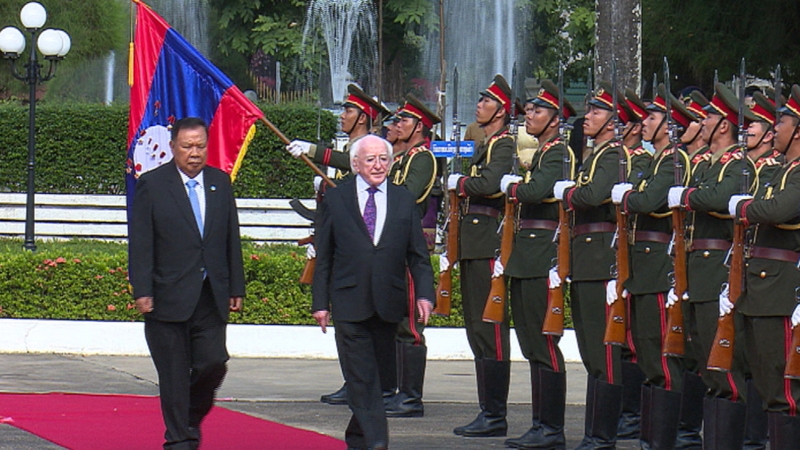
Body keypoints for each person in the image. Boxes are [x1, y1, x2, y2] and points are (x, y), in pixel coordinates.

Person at [312, 134, 435, 450]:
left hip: (387, 302)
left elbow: (417, 255)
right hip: (348, 301)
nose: (378, 165)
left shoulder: (403, 199)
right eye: (370, 159)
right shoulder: (336, 199)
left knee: (377, 381)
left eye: (384, 159)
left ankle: (357, 438)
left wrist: (424, 294)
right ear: (355, 164)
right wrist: (320, 303)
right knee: (361, 377)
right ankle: (378, 441)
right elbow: (324, 256)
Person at [129, 117, 245, 450]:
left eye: (200, 146)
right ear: (172, 148)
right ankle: (179, 438)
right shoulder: (153, 184)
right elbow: (142, 241)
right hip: (167, 294)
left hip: (210, 294)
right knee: (174, 375)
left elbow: (230, 238)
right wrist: (142, 289)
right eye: (187, 146)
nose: (194, 153)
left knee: (213, 363)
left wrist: (236, 286)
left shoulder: (219, 182)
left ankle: (190, 417)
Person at [287, 84, 391, 406]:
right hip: (339, 234)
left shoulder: (367, 148)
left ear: (363, 117)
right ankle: (352, 379)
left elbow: (353, 164)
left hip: (361, 244)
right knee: (345, 316)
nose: (343, 116)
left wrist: (314, 152)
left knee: (359, 318)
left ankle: (365, 382)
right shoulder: (349, 146)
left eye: (348, 111)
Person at [667, 83, 756, 449]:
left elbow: (721, 199)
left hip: (718, 268)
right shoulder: (710, 163)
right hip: (697, 269)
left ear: (723, 125)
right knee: (705, 363)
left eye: (707, 117)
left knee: (725, 368)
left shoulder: (738, 163)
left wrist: (686, 196)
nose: (700, 122)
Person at [612, 84, 694, 449]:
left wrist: (628, 196)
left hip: (660, 267)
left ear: (671, 124)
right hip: (642, 268)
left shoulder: (674, 161)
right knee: (645, 355)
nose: (643, 122)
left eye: (652, 117)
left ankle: (664, 438)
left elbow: (648, 200)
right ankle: (650, 435)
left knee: (662, 358)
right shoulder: (654, 161)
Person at [499, 80, 575, 449]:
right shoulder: (542, 152)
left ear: (556, 119)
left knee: (544, 344)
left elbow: (535, 192)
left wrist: (513, 186)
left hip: (542, 253)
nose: (529, 115)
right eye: (529, 110)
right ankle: (539, 423)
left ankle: (551, 429)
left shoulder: (559, 153)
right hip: (525, 254)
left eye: (538, 111)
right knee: (531, 344)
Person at [555, 81, 627, 449]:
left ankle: (603, 436)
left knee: (604, 354)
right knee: (590, 352)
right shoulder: (593, 155)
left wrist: (567, 193)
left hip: (600, 261)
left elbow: (593, 195)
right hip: (585, 260)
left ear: (614, 121)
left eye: (597, 112)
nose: (588, 117)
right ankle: (593, 433)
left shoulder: (613, 155)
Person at [730, 84, 800, 449]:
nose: (775, 129)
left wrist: (742, 208)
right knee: (766, 384)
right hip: (760, 290)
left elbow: (776, 210)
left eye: (783, 122)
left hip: (782, 290)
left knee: (785, 391)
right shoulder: (781, 171)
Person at [445, 74, 515, 438]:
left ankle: (495, 414)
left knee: (490, 330)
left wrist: (461, 184)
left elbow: (488, 185)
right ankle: (487, 410)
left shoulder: (503, 145)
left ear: (501, 111)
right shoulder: (484, 145)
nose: (479, 106)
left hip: (489, 243)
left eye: (486, 101)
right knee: (476, 329)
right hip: (473, 243)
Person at [383, 94, 440, 418]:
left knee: (411, 325)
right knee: (396, 322)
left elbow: (407, 195)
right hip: (394, 244)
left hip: (409, 245)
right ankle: (399, 391)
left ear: (420, 126)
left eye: (404, 121)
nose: (397, 125)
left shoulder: (422, 159)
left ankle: (412, 397)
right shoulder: (403, 159)